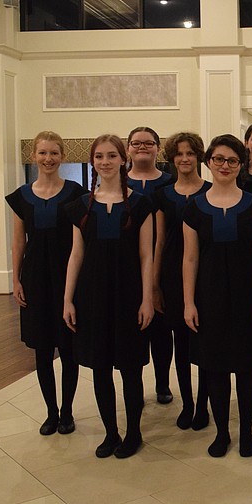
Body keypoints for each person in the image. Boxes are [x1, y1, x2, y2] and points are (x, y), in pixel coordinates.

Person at [63, 134, 155, 459]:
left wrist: (147, 298)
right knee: (100, 368)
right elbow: (76, 254)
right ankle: (111, 433)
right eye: (99, 156)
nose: (105, 162)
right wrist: (68, 299)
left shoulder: (141, 204)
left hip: (129, 295)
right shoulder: (81, 207)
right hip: (92, 296)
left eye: (111, 155)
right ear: (93, 162)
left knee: (130, 369)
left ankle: (133, 433)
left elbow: (146, 255)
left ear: (122, 160)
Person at [182, 134, 252, 458]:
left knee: (247, 368)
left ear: (240, 165)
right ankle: (222, 433)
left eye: (232, 160)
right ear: (208, 162)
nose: (225, 165)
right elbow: (190, 259)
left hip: (247, 298)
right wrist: (189, 302)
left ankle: (246, 432)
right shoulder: (194, 208)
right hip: (209, 298)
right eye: (219, 159)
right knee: (215, 368)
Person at [6, 131, 86, 436]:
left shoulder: (76, 194)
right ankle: (51, 412)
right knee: (42, 349)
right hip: (35, 279)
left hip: (67, 279)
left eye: (54, 153)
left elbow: (80, 242)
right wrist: (16, 279)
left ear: (62, 156)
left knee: (68, 348)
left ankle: (67, 412)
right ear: (33, 156)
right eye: (42, 153)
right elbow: (18, 242)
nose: (48, 158)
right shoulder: (21, 197)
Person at [151, 132, 211, 431]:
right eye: (179, 154)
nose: (185, 158)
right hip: (173, 275)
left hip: (207, 274)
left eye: (190, 153)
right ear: (172, 158)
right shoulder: (162, 195)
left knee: (206, 343)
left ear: (199, 156)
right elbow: (160, 241)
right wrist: (154, 284)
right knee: (182, 344)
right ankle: (188, 403)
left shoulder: (211, 191)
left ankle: (204, 405)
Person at [126, 126, 175, 405]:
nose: (142, 147)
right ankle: (135, 385)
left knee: (161, 328)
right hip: (128, 263)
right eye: (136, 143)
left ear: (158, 148)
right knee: (133, 329)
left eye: (148, 143)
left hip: (165, 264)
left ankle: (162, 382)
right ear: (128, 149)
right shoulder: (118, 181)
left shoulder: (170, 182)